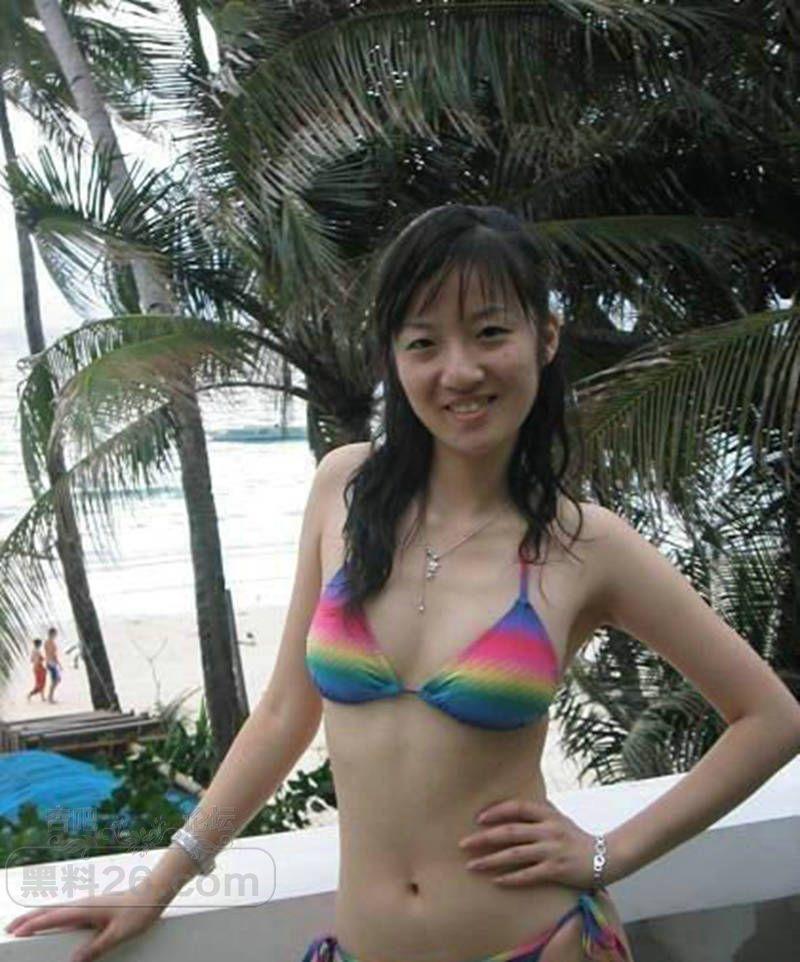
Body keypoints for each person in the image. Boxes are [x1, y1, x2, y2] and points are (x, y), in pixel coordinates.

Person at [7, 204, 800, 962]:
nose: (460, 371)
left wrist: (607, 853)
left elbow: (770, 718)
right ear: (394, 354)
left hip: (541, 943)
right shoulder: (343, 491)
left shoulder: (584, 545)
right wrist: (161, 882)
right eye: (423, 342)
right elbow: (283, 715)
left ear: (545, 336)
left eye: (490, 333)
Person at [43, 626, 63, 704]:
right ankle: (50, 698)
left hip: (50, 662)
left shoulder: (47, 642)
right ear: (52, 634)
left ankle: (50, 697)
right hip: (51, 663)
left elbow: (50, 653)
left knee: (56, 680)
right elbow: (52, 654)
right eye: (55, 634)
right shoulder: (50, 642)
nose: (56, 635)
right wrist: (58, 663)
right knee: (55, 680)